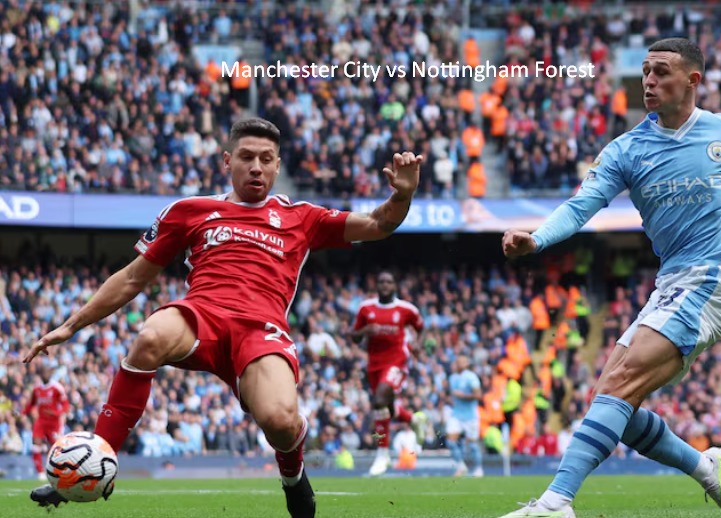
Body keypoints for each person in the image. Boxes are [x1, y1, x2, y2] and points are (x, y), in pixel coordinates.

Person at [23, 117, 423, 517]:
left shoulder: (303, 217)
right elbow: (131, 278)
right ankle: (93, 463)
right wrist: (70, 326)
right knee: (149, 337)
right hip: (203, 317)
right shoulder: (189, 211)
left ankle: (293, 476)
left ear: (278, 166)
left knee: (281, 422)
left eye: (267, 159)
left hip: (261, 331)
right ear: (227, 161)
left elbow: (377, 224)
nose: (257, 167)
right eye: (247, 157)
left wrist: (402, 196)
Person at [496, 38, 721, 518]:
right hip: (671, 284)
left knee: (621, 383)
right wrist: (537, 239)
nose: (649, 82)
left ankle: (556, 502)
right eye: (645, 73)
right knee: (616, 402)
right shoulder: (626, 149)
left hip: (714, 279)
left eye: (661, 72)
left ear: (693, 80)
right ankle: (704, 468)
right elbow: (579, 207)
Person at [350, 271, 428, 476]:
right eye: (382, 281)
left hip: (397, 361)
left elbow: (421, 327)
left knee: (379, 399)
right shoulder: (366, 308)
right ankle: (412, 419)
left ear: (395, 285)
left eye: (389, 281)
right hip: (374, 364)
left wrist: (418, 345)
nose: (385, 285)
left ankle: (382, 454)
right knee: (385, 407)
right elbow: (354, 336)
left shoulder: (406, 309)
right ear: (377, 285)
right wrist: (366, 331)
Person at [23, 365, 69, 481]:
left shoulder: (57, 387)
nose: (45, 374)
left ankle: (60, 470)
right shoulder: (37, 389)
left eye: (47, 372)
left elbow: (65, 405)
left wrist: (56, 413)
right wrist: (22, 413)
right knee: (36, 442)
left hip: (54, 423)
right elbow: (31, 404)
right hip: (41, 421)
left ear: (50, 373)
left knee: (56, 448)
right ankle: (40, 471)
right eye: (43, 372)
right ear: (40, 374)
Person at [446, 355, 483, 478]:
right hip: (456, 414)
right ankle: (461, 467)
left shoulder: (471, 377)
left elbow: (478, 395)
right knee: (450, 441)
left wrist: (462, 395)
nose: (460, 364)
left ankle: (478, 469)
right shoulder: (452, 378)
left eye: (463, 362)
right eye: (458, 362)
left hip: (470, 416)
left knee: (471, 444)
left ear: (467, 364)